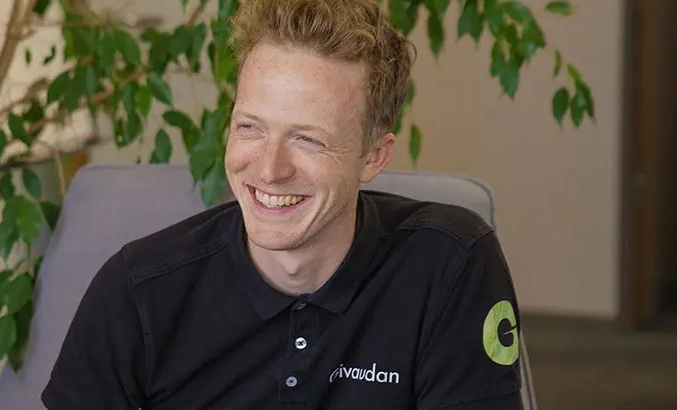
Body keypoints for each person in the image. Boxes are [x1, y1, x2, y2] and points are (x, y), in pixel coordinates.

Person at [42, 0, 523, 408]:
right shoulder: (135, 292)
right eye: (250, 127)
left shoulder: (450, 265)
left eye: (308, 140)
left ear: (373, 156)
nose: (270, 170)